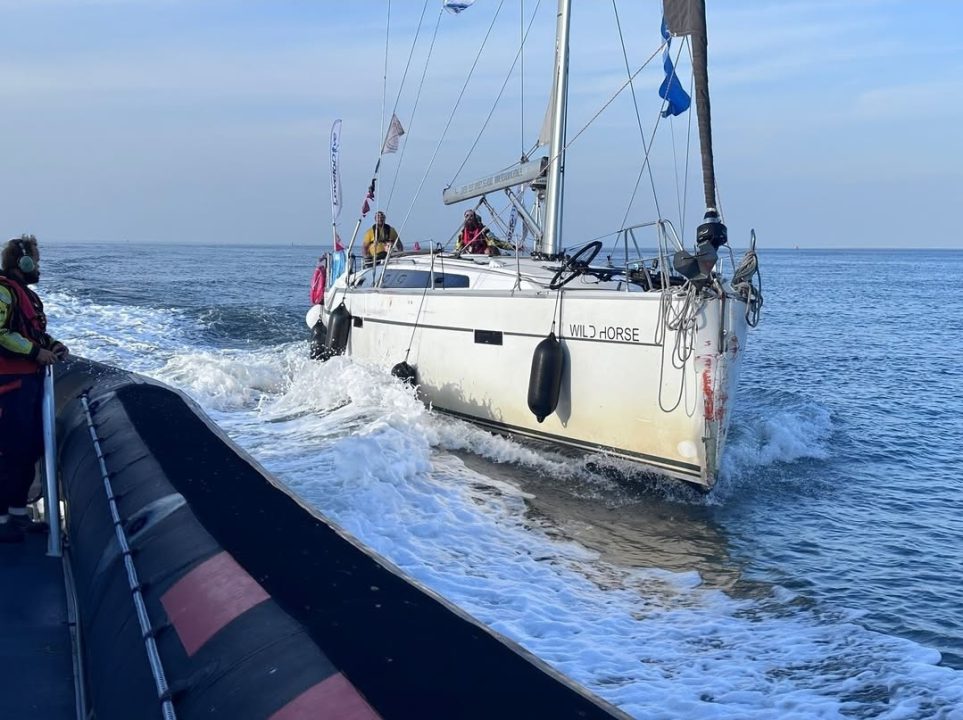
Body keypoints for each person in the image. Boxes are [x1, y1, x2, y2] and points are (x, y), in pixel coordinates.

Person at [0, 235, 68, 543]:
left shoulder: (24, 295)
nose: (38, 267)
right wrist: (33, 352)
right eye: (35, 261)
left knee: (27, 450)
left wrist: (51, 345)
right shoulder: (3, 292)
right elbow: (2, 333)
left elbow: (31, 330)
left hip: (29, 384)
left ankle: (18, 514)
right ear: (23, 263)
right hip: (9, 384)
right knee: (8, 451)